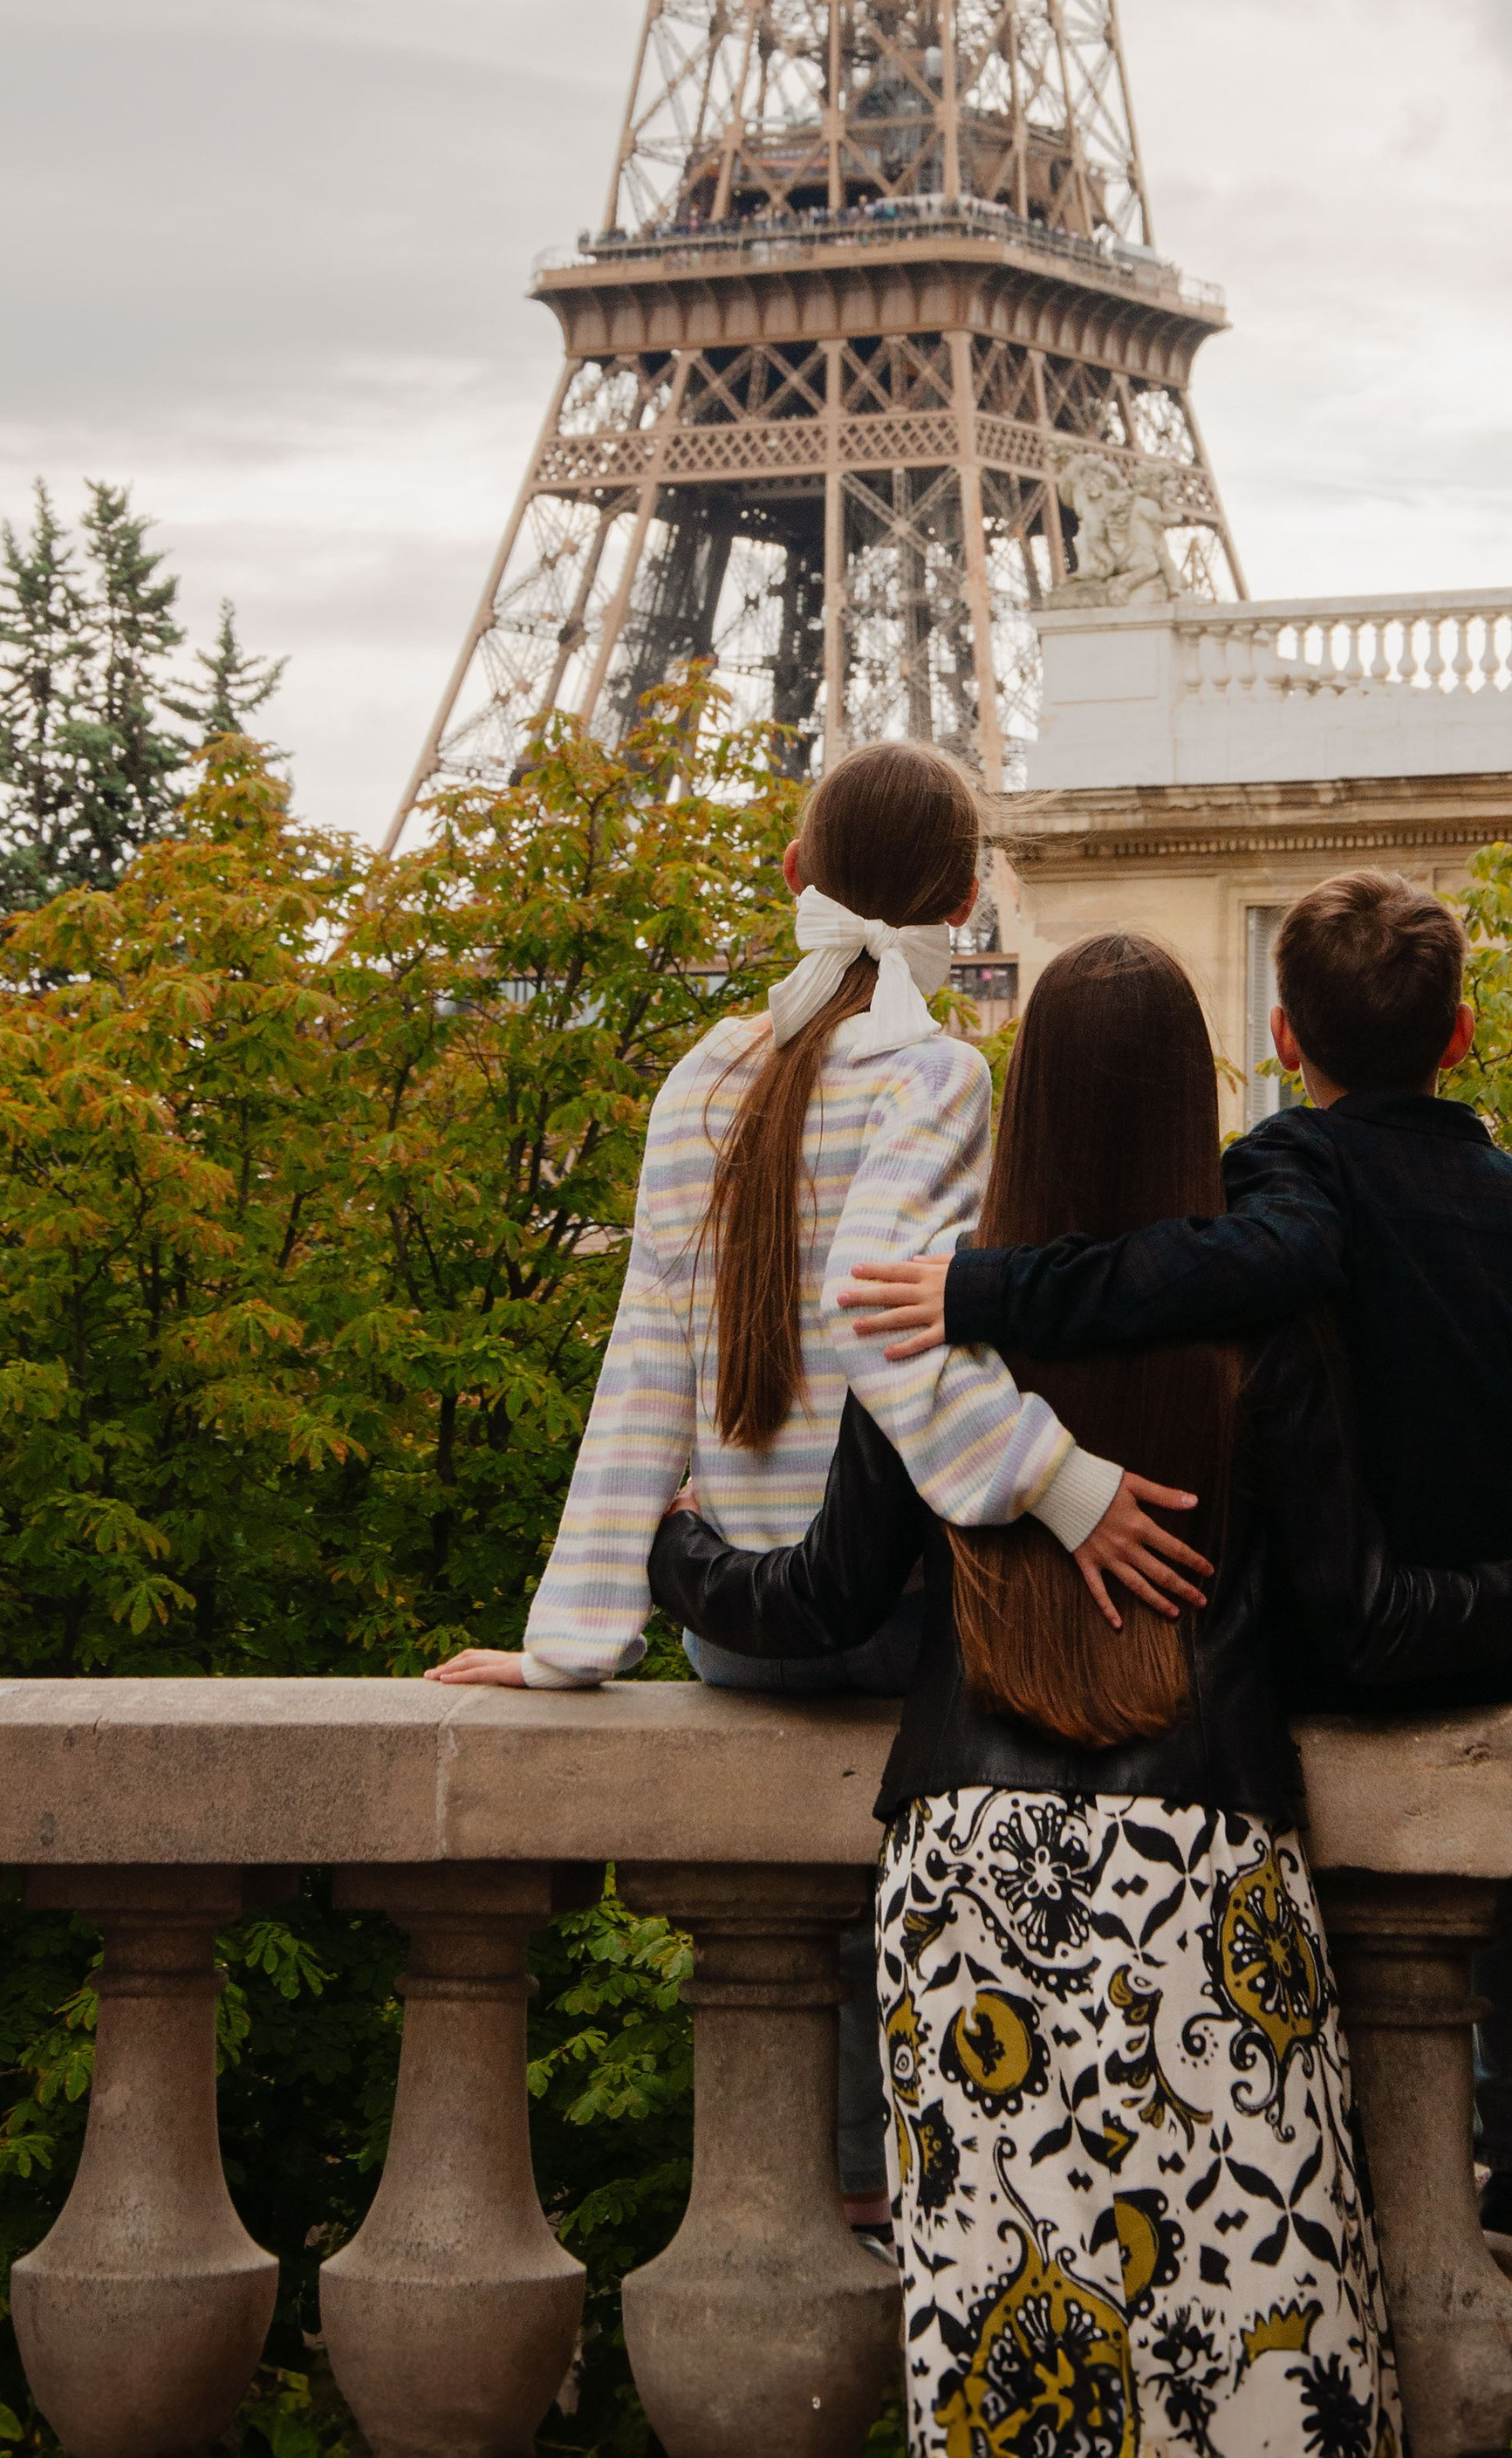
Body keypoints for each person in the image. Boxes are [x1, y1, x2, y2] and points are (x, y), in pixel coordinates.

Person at [649, 931, 1512, 2458]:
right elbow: (1367, 1619)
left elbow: (821, 1595)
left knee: (1012, 2364)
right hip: (1201, 1874)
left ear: (1020, 1101)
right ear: (1198, 1100)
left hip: (966, 1878)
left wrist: (677, 1542)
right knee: (1259, 2352)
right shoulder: (1258, 1324)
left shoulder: (940, 1323)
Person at [841, 866, 1512, 2266]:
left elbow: (1163, 1277)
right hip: (1485, 1643)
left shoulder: (1288, 1186)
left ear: (1287, 1037)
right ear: (1463, 1034)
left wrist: (977, 1287)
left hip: (1306, 1668)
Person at [424, 739, 1212, 2226]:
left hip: (741, 1630)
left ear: (794, 881)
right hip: (891, 1618)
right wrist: (1061, 1483)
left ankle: (849, 2186)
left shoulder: (701, 1076)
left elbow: (643, 1357)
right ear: (969, 898)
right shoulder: (935, 1073)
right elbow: (892, 1319)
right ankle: (922, 2180)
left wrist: (570, 1638)